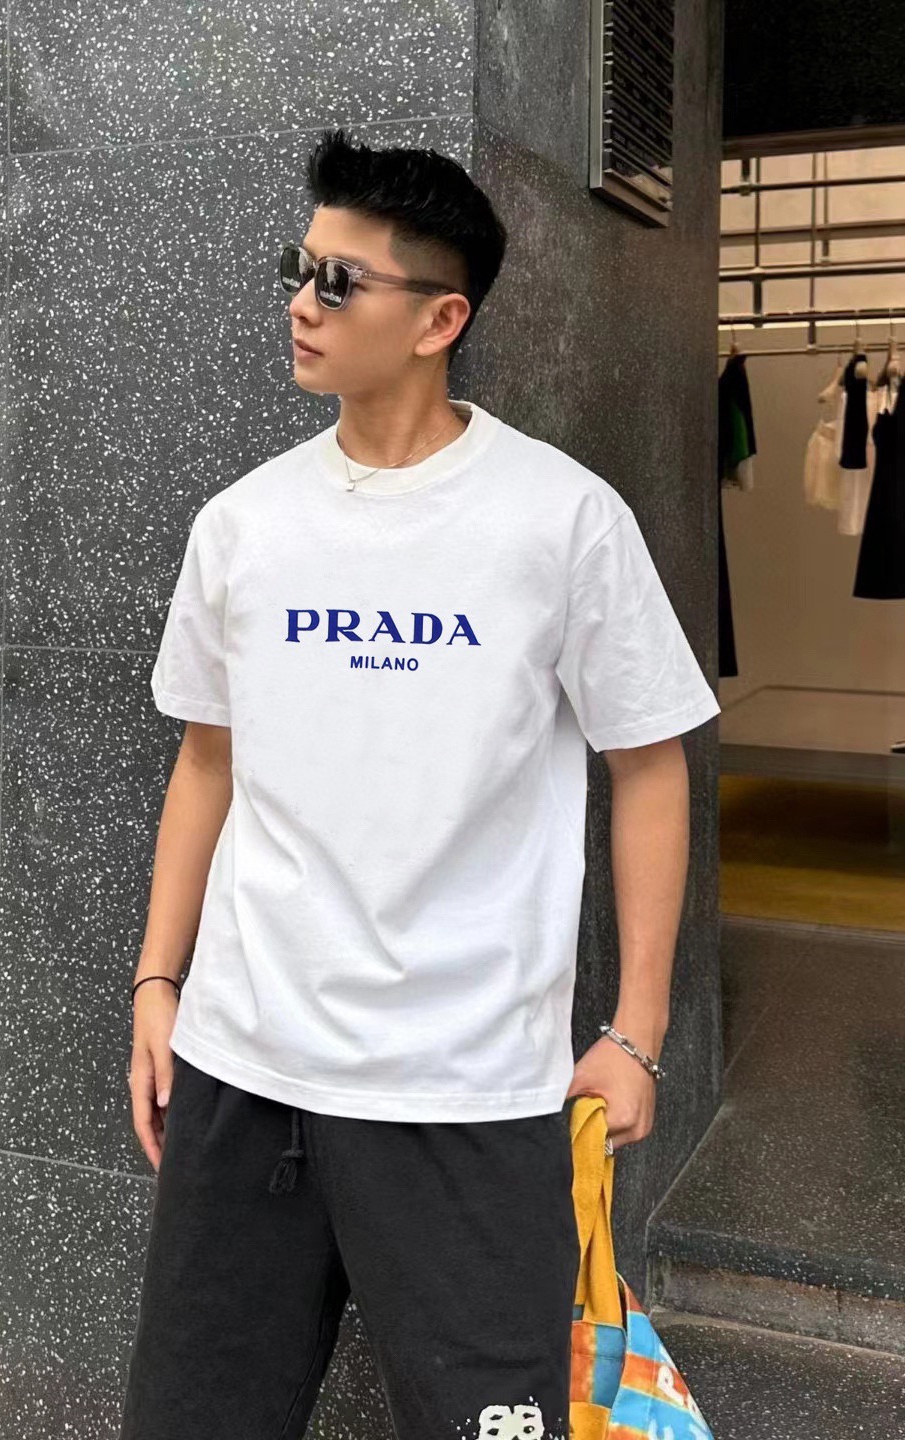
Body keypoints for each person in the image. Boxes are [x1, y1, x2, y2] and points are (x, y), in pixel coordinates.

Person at [118, 127, 721, 1440]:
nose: (302, 301)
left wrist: (637, 1032)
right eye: (300, 269)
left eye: (340, 282)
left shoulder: (561, 521)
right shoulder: (243, 523)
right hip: (244, 1068)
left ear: (442, 319)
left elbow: (649, 765)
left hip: (469, 1085)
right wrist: (160, 982)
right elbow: (209, 760)